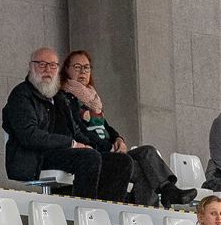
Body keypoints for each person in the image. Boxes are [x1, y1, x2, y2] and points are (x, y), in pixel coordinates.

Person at [60, 50, 193, 208]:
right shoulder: (66, 98)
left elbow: (105, 126)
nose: (83, 71)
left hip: (110, 151)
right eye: (77, 67)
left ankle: (167, 190)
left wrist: (118, 139)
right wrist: (109, 147)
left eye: (87, 67)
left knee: (147, 151)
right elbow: (79, 131)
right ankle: (154, 205)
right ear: (66, 69)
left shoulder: (92, 99)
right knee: (144, 171)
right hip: (94, 154)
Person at [3, 47, 127, 202]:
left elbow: (76, 130)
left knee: (120, 161)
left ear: (58, 69)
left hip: (59, 151)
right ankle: (83, 211)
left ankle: (106, 211)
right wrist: (71, 144)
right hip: (34, 156)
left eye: (52, 65)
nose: (47, 70)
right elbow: (30, 136)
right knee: (89, 157)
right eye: (41, 64)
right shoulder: (21, 95)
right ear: (31, 66)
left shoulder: (58, 97)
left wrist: (97, 147)